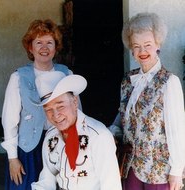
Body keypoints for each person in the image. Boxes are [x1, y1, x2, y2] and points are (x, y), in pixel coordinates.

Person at [109, 12, 185, 190]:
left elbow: (177, 130)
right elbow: (123, 116)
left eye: (147, 45)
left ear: (158, 45)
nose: (142, 51)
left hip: (159, 170)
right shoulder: (128, 80)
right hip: (131, 167)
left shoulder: (169, 82)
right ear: (131, 49)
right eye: (136, 46)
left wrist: (177, 169)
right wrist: (110, 132)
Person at [1, 19, 73, 190]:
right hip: (28, 151)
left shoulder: (66, 73)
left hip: (60, 144)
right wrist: (13, 158)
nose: (44, 47)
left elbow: (77, 112)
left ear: (56, 47)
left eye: (49, 42)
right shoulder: (19, 77)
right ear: (30, 48)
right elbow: (9, 121)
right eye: (38, 42)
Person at [31, 71, 122, 190]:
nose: (56, 115)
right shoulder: (50, 137)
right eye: (48, 109)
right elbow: (46, 180)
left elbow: (111, 186)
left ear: (74, 102)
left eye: (60, 106)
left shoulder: (98, 136)